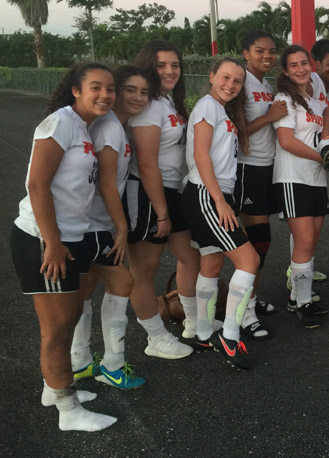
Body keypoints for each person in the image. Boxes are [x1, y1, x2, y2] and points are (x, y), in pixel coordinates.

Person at [11, 62, 118, 431]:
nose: (105, 94)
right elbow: (37, 184)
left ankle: (52, 388)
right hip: (43, 238)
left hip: (68, 238)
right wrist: (52, 244)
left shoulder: (84, 128)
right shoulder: (62, 122)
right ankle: (68, 411)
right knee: (56, 330)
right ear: (76, 90)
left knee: (68, 319)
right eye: (95, 87)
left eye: (110, 88)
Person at [70, 66, 151, 389]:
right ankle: (113, 366)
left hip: (93, 221)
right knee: (122, 280)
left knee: (86, 288)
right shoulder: (109, 129)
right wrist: (121, 227)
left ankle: (80, 362)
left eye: (144, 92)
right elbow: (105, 182)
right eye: (130, 89)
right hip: (92, 222)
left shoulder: (117, 126)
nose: (137, 97)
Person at [180, 58, 256, 370]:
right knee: (249, 260)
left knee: (211, 262)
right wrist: (220, 202)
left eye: (237, 81)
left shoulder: (221, 109)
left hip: (212, 194)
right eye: (225, 77)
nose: (230, 85)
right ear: (212, 76)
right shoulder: (208, 106)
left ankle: (202, 331)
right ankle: (229, 334)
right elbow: (200, 155)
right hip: (206, 194)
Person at [127, 40, 197, 358]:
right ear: (148, 66)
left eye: (175, 65)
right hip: (147, 191)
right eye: (161, 65)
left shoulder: (167, 101)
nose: (170, 71)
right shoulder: (149, 105)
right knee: (144, 269)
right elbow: (146, 163)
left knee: (191, 256)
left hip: (170, 190)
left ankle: (193, 321)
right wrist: (161, 212)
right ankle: (155, 337)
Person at [273, 45, 329, 328]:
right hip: (293, 178)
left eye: (304, 63)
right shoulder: (284, 99)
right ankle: (303, 303)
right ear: (286, 71)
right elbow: (286, 141)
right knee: (303, 241)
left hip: (316, 178)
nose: (301, 69)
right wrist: (323, 157)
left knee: (311, 242)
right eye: (294, 65)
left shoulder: (314, 102)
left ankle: (296, 295)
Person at [234, 30, 286, 340]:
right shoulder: (240, 84)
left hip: (268, 168)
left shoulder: (266, 84)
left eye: (271, 51)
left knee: (261, 244)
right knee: (256, 242)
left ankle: (250, 297)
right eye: (259, 51)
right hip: (247, 169)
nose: (267, 55)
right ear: (245, 53)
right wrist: (269, 116)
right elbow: (236, 132)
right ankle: (244, 310)